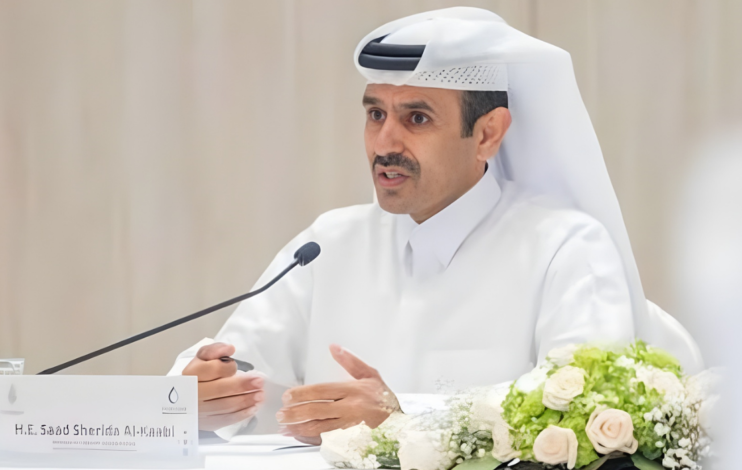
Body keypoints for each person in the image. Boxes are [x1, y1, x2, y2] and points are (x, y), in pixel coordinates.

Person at [169, 7, 702, 445]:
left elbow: (586, 410)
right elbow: (236, 365)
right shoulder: (327, 245)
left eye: (416, 118)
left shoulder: (565, 248)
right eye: (375, 114)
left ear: (488, 134)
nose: (384, 143)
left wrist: (404, 418)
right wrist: (199, 398)